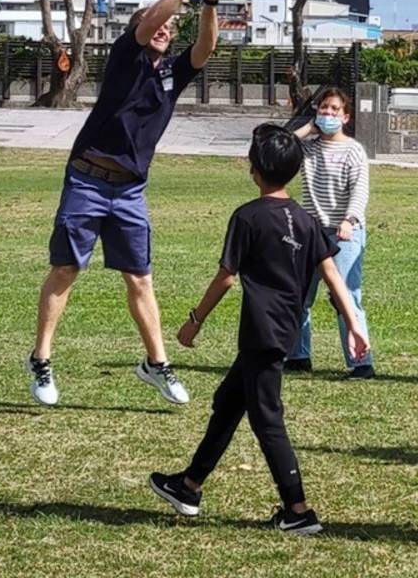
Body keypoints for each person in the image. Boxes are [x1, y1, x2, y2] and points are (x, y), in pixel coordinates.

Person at [148, 125, 369, 535]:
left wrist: (193, 322)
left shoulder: (247, 217)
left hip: (260, 332)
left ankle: (298, 510)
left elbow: (226, 278)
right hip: (284, 330)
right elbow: (331, 272)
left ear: (254, 170)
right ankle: (189, 486)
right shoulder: (304, 218)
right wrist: (353, 325)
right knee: (229, 402)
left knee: (267, 419)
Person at [26, 0, 226, 407]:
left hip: (131, 190)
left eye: (171, 27)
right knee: (66, 269)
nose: (165, 29)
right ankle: (40, 359)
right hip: (88, 181)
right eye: (158, 23)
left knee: (140, 278)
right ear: (141, 26)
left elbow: (205, 48)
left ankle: (156, 364)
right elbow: (153, 18)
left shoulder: (172, 73)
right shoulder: (125, 55)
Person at [284, 87, 374, 379]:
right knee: (299, 294)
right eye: (324, 108)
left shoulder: (353, 150)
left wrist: (349, 220)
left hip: (344, 232)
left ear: (346, 116)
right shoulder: (307, 149)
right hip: (310, 231)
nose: (329, 114)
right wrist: (309, 127)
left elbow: (359, 192)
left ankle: (361, 362)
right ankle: (298, 355)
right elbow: (275, 144)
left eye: (335, 110)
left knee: (345, 296)